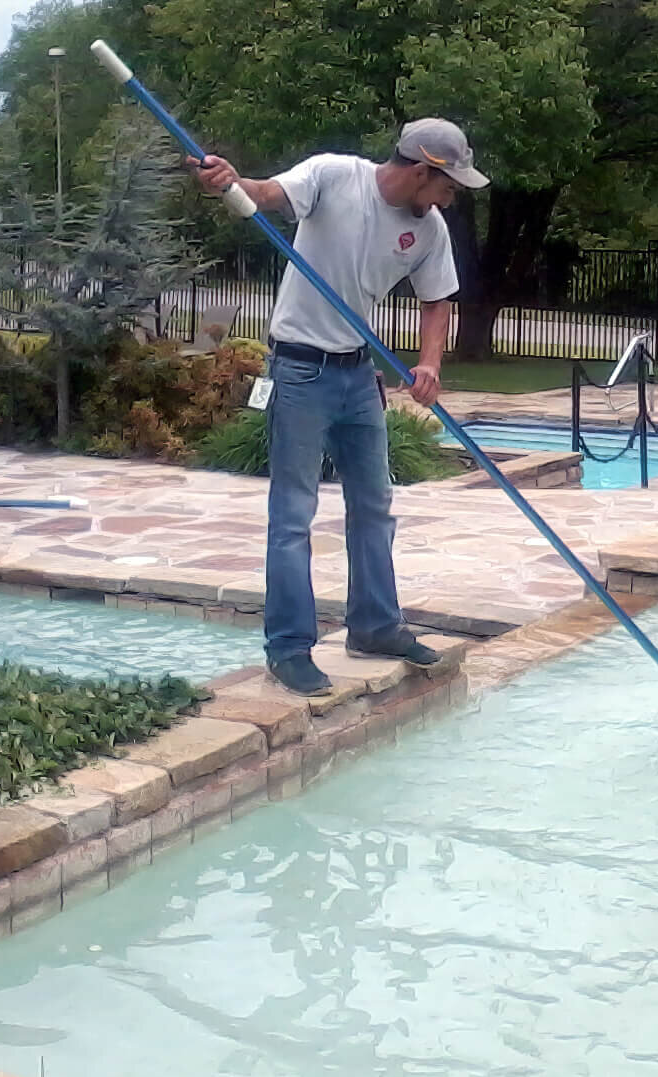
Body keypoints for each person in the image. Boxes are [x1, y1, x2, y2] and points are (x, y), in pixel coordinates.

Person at [191, 118, 488, 696]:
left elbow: (437, 302)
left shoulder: (430, 230)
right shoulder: (333, 175)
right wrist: (232, 181)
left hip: (358, 376)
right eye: (449, 185)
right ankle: (289, 649)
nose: (453, 198)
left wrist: (431, 365)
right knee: (293, 516)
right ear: (423, 170)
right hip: (300, 370)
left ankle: (375, 627)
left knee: (375, 506)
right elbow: (270, 195)